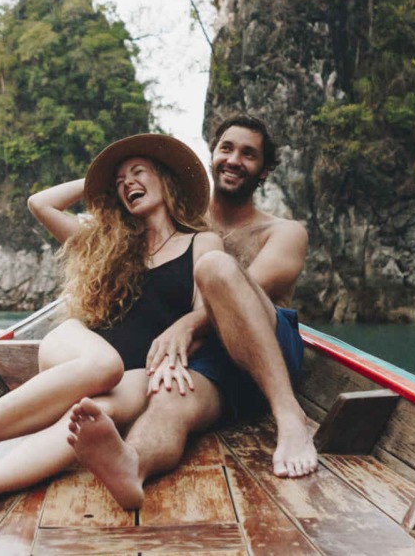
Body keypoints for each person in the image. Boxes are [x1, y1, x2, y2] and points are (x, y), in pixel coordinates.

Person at [0, 133, 223, 529]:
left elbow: (207, 313)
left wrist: (180, 342)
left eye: (138, 172)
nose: (128, 183)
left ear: (166, 179)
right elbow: (40, 203)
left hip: (139, 371)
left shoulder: (202, 242)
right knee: (104, 365)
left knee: (95, 414)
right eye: (120, 180)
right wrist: (99, 184)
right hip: (78, 348)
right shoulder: (107, 243)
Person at [65, 115, 317, 511]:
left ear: (264, 171)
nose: (234, 160)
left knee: (215, 268)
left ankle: (290, 417)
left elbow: (238, 293)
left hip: (267, 346)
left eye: (248, 154)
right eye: (226, 149)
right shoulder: (180, 223)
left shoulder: (284, 233)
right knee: (169, 396)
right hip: (212, 358)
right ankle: (132, 465)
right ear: (212, 156)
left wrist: (185, 326)